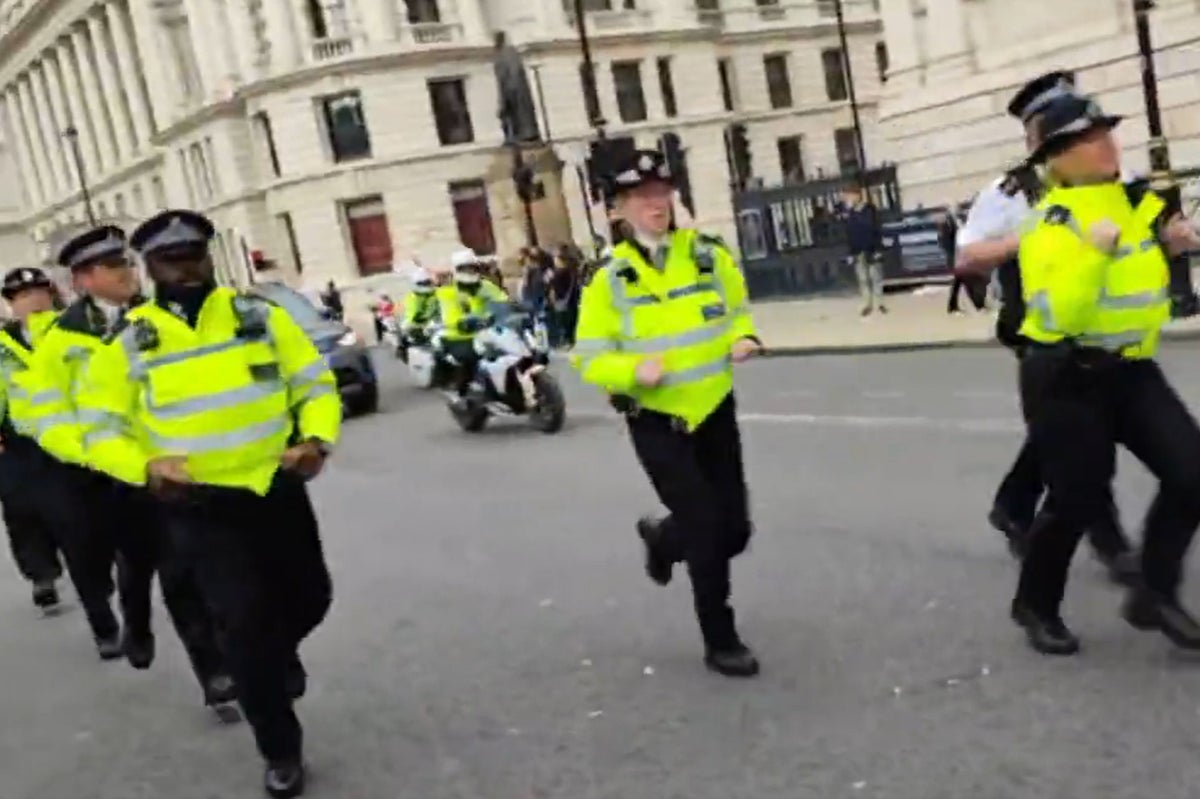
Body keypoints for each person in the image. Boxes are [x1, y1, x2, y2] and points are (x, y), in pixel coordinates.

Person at [76, 210, 340, 798]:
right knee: (242, 628)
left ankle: (273, 657)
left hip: (275, 489)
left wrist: (317, 439)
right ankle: (281, 750)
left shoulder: (259, 317)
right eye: (172, 260)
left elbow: (314, 386)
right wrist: (144, 467)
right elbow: (100, 431)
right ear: (151, 267)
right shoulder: (127, 344)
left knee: (311, 597)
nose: (186, 269)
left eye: (194, 256)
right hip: (199, 507)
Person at [1010, 89, 1200, 655]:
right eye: (1088, 140)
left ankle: (1154, 591)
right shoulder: (1050, 224)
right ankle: (1035, 605)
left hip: (1131, 370)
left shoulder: (1135, 201)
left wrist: (1177, 242)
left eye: (1106, 135)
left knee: (1192, 474)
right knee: (1076, 499)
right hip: (1065, 374)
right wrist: (1094, 254)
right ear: (1058, 158)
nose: (1105, 148)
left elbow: (1153, 254)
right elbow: (1057, 315)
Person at [572, 149, 763, 677]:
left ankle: (662, 538)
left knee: (736, 531)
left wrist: (744, 336)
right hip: (657, 421)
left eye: (661, 194)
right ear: (620, 210)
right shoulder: (608, 278)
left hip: (714, 411)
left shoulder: (707, 255)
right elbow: (588, 357)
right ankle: (720, 638)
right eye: (642, 197)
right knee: (705, 528)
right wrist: (633, 371)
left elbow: (736, 311)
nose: (656, 205)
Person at [34, 225, 235, 711]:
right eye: (114, 266)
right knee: (133, 561)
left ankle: (215, 671)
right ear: (84, 280)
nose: (128, 272)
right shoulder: (61, 342)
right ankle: (136, 620)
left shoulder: (161, 318)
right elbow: (46, 416)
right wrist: (89, 454)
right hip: (106, 478)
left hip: (173, 470)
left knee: (183, 571)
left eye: (127, 262)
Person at [955, 71, 1136, 583]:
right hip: (1041, 328)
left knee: (1066, 431)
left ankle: (1014, 505)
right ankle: (1109, 542)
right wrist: (1028, 240)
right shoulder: (1015, 190)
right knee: (1082, 435)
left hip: (1100, 325)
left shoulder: (1104, 179)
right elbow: (968, 255)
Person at [0, 266, 123, 654]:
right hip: (24, 452)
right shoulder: (3, 346)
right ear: (10, 304)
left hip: (81, 446)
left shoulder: (74, 331)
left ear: (51, 293)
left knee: (91, 536)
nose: (31, 301)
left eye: (37, 291)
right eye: (21, 297)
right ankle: (102, 623)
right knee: (31, 521)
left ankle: (99, 585)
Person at [435, 248, 508, 407]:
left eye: (471, 267)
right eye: (464, 268)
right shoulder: (448, 291)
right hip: (460, 335)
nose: (469, 271)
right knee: (470, 357)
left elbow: (502, 299)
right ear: (456, 270)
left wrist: (515, 307)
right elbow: (450, 314)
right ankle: (460, 393)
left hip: (486, 331)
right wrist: (461, 322)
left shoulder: (485, 285)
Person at [842, 183, 887, 316]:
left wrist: (878, 248)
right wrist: (850, 252)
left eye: (849, 195)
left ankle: (879, 303)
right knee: (863, 278)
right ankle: (867, 304)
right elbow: (849, 232)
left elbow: (872, 227)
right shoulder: (849, 213)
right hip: (858, 250)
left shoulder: (869, 209)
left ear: (857, 195)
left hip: (871, 248)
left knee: (875, 277)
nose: (847, 198)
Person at [398, 267, 440, 361]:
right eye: (425, 282)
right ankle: (403, 349)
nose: (427, 283)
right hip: (425, 323)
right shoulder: (415, 296)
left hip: (428, 323)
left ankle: (403, 349)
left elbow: (413, 313)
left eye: (427, 282)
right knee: (404, 328)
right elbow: (412, 313)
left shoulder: (434, 293)